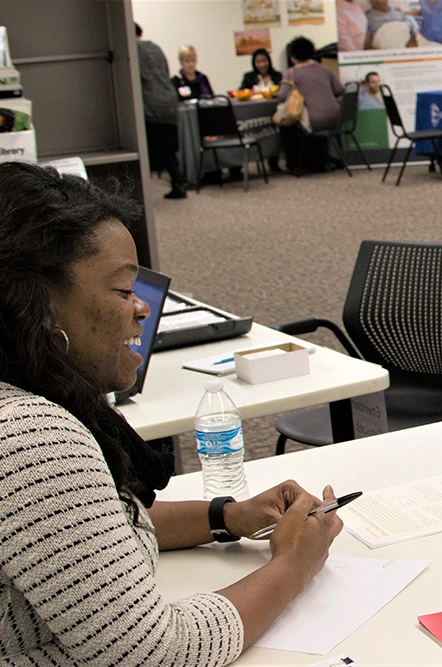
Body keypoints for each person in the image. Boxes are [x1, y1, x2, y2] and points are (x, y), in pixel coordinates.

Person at [0, 161, 344, 663]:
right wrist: (294, 563)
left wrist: (226, 516)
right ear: (41, 306)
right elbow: (158, 654)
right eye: (123, 291)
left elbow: (78, 538)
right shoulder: (32, 438)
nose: (142, 308)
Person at [278, 37, 346, 174]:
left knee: (286, 124)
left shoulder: (291, 73)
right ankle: (321, 160)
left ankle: (295, 165)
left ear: (292, 56)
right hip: (336, 119)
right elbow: (339, 90)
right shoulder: (325, 70)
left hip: (314, 122)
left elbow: (282, 96)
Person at [135, 24, 186, 200]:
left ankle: (140, 194)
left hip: (151, 105)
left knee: (149, 152)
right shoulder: (155, 47)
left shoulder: (132, 50)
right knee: (170, 150)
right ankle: (178, 184)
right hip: (169, 101)